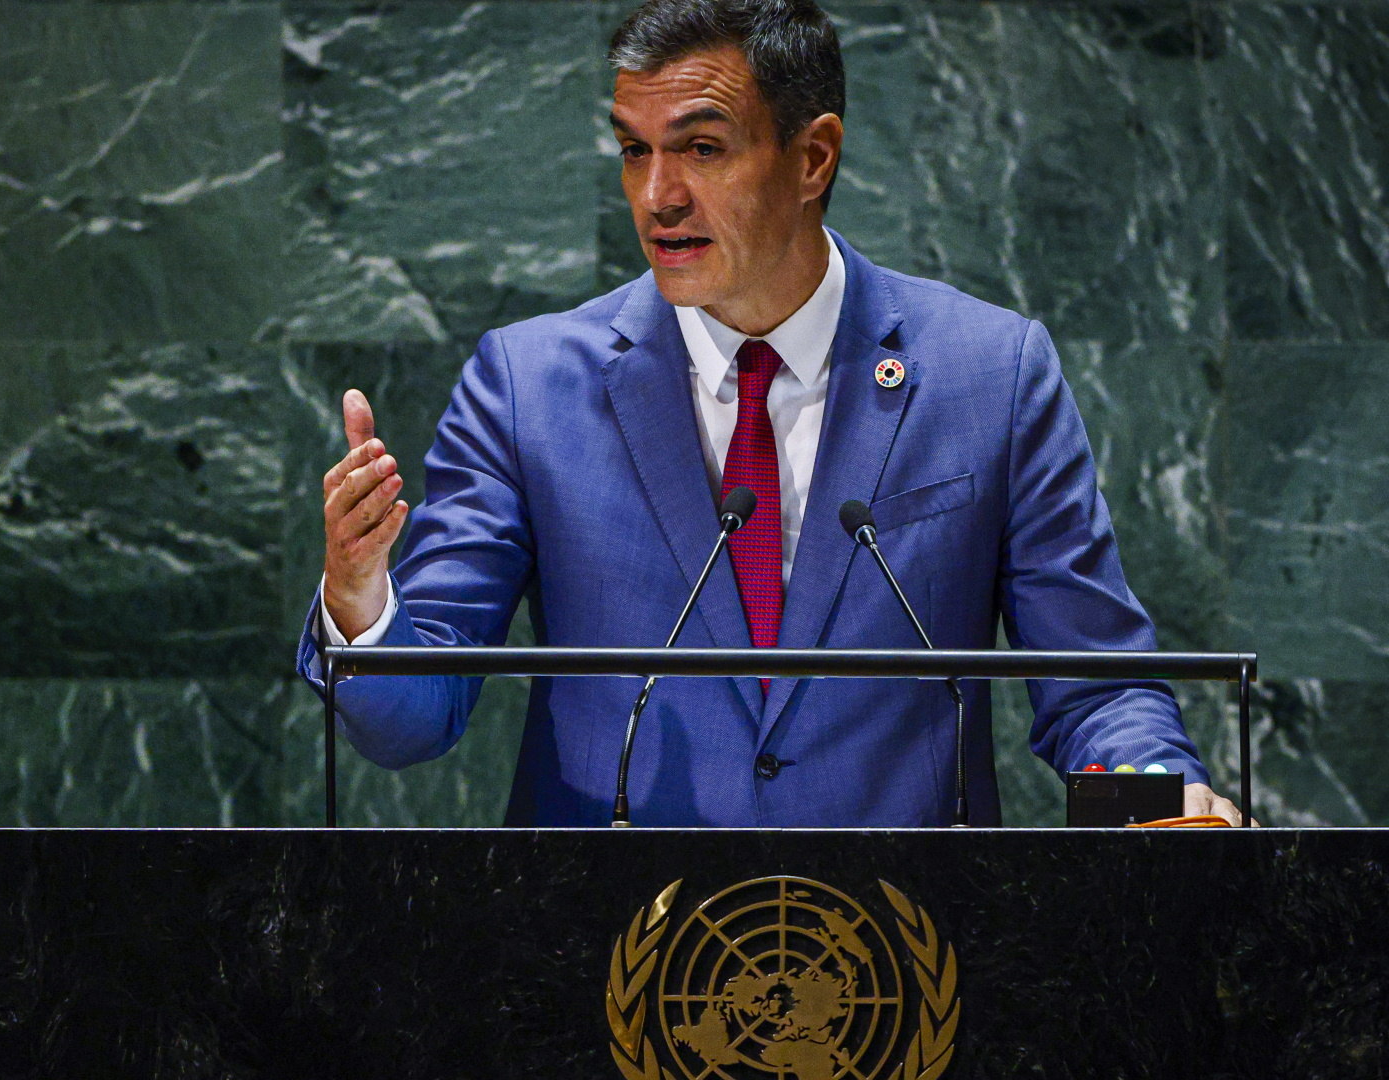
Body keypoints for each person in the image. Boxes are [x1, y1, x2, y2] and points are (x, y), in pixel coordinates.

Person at [298, 0, 1244, 827]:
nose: (658, 197)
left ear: (812, 158)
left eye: (701, 148)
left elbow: (1096, 687)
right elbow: (411, 718)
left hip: (904, 954)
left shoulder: (989, 375)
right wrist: (361, 601)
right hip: (609, 945)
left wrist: (1158, 804)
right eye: (635, 150)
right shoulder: (527, 386)